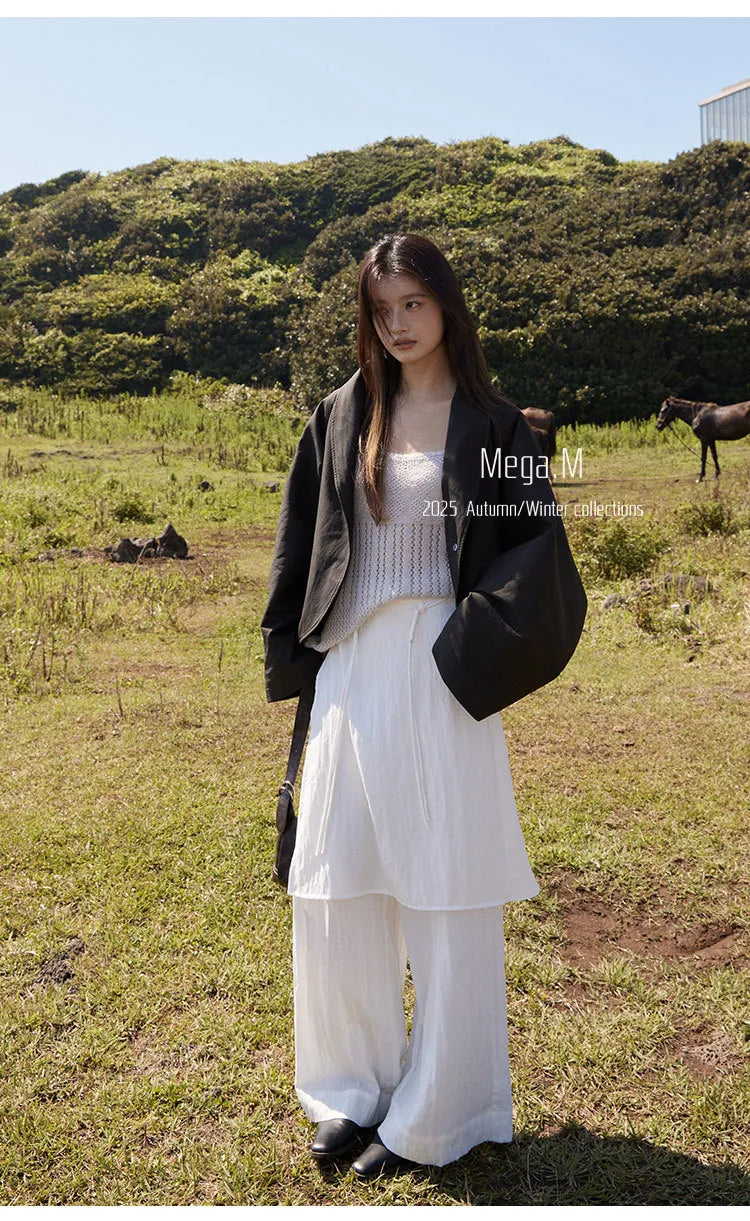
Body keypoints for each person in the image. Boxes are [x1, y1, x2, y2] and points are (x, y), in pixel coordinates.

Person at [260, 232, 587, 1178]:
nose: (398, 323)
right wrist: (298, 655)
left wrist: (466, 650)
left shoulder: (498, 426)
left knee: (445, 889)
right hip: (350, 670)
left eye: (413, 303)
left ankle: (442, 1112)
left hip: (444, 670)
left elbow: (539, 553)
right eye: (382, 308)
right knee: (336, 887)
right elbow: (301, 538)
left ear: (446, 304)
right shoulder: (341, 414)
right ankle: (349, 1091)